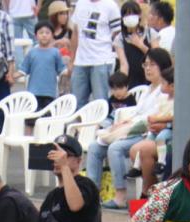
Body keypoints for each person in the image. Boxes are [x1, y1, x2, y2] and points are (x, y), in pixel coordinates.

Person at [88, 48, 171, 209]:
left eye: (152, 65)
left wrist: (128, 124)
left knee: (115, 148)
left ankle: (120, 195)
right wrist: (123, 123)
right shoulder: (148, 89)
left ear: (163, 66)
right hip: (132, 130)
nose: (147, 68)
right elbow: (137, 112)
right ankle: (92, 194)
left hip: (146, 133)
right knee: (94, 147)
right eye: (145, 65)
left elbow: (151, 117)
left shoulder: (165, 90)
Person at [128, 64, 175, 192]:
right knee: (138, 147)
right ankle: (137, 167)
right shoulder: (162, 98)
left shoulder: (178, 100)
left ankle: (149, 186)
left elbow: (173, 117)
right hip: (156, 129)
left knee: (147, 148)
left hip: (170, 134)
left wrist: (161, 122)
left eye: (163, 83)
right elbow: (156, 112)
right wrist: (152, 121)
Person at [70, 0, 125, 106]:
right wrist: (72, 60)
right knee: (76, 102)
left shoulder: (110, 6)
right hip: (80, 61)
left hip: (101, 60)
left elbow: (118, 35)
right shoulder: (80, 3)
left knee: (100, 102)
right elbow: (75, 33)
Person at [18, 22, 65, 109]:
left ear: (52, 35)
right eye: (41, 32)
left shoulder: (55, 52)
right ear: (36, 35)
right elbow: (23, 70)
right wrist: (11, 76)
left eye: (47, 33)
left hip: (50, 93)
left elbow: (62, 70)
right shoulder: (32, 53)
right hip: (33, 93)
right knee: (33, 116)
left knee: (48, 116)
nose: (44, 35)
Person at [118, 1, 149, 87]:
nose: (130, 16)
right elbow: (124, 64)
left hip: (149, 77)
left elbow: (157, 56)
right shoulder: (120, 38)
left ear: (139, 15)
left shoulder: (149, 33)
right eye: (127, 14)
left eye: (133, 13)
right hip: (131, 79)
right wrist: (122, 83)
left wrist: (141, 45)